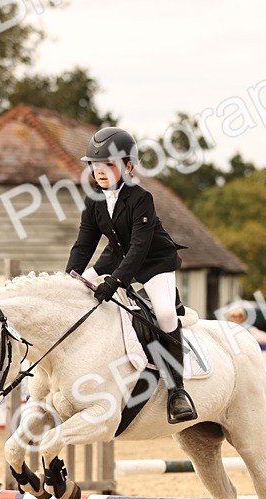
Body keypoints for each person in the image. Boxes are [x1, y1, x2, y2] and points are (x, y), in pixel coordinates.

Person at [65, 126, 197, 424]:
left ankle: (177, 392)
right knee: (78, 291)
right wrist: (69, 277)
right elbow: (84, 243)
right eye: (95, 165)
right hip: (118, 257)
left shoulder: (141, 198)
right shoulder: (93, 200)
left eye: (108, 164)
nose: (100, 171)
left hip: (153, 261)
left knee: (164, 314)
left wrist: (114, 282)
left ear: (127, 166)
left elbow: (139, 247)